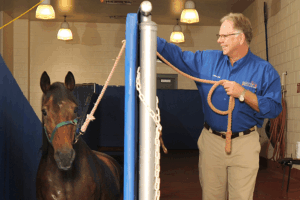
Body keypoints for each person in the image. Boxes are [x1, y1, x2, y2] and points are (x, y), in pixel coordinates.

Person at [157, 13, 282, 200]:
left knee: (241, 196)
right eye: (219, 36)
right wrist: (151, 37)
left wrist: (243, 94)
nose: (219, 40)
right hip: (211, 142)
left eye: (224, 36)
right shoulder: (206, 61)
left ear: (241, 37)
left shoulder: (264, 70)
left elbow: (274, 109)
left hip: (245, 144)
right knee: (211, 196)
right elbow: (178, 57)